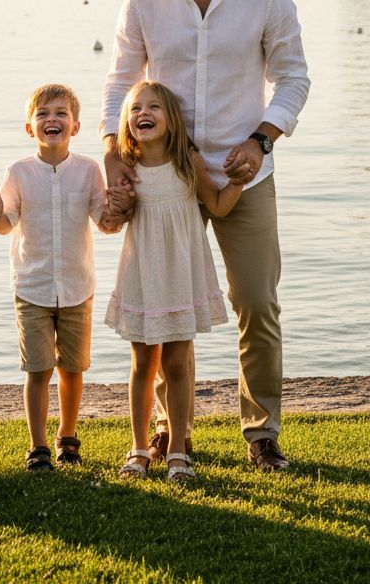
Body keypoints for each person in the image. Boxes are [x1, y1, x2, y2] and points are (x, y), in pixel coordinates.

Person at [100, 0, 310, 472]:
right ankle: (170, 434)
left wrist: (261, 140)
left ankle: (261, 432)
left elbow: (293, 78)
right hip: (165, 179)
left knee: (257, 303)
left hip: (244, 175)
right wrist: (113, 152)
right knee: (165, 311)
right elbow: (120, 83)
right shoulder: (144, 0)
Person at [0, 84, 124, 472]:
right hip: (32, 288)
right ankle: (38, 446)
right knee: (38, 370)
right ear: (30, 128)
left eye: (61, 113)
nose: (52, 120)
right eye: (43, 114)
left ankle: (67, 436)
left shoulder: (89, 170)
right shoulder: (19, 173)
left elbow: (104, 221)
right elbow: (5, 224)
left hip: (78, 287)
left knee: (73, 368)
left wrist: (120, 208)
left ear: (76, 126)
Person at [106, 81, 238, 483]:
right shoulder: (127, 168)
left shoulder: (187, 162)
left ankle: (178, 450)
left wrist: (240, 181)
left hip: (180, 276)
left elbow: (216, 204)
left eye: (153, 107)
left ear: (172, 118)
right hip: (143, 275)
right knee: (143, 364)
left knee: (177, 363)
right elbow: (112, 220)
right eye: (135, 109)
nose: (142, 114)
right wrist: (118, 202)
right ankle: (140, 448)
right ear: (128, 123)